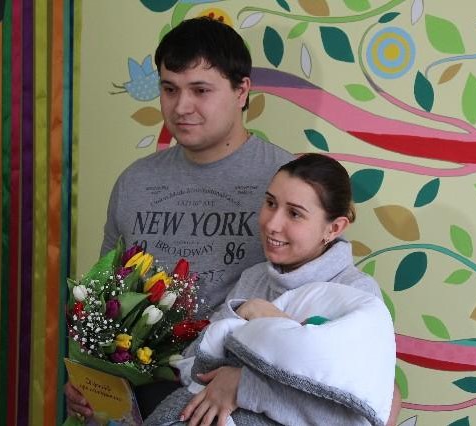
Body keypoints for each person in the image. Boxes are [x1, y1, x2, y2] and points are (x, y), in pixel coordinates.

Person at [65, 17, 293, 420]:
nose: (181, 107)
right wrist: (90, 379)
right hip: (138, 396)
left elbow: (315, 309)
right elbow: (104, 300)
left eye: (200, 90)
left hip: (232, 398)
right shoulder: (135, 182)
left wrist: (247, 380)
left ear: (242, 91)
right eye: (169, 89)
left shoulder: (286, 184)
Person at [145, 153, 401, 426]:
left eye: (294, 213)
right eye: (270, 203)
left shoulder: (357, 295)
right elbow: (198, 360)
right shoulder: (254, 278)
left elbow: (354, 408)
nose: (271, 224)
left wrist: (245, 386)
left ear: (334, 228)